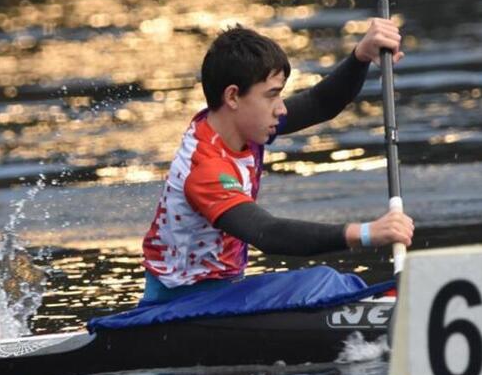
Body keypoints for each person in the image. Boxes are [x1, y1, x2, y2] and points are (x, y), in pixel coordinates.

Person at [140, 20, 415, 304]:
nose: (281, 108)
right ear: (233, 96)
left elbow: (321, 103)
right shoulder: (205, 167)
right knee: (324, 282)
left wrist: (361, 56)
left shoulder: (240, 124)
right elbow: (267, 233)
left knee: (329, 284)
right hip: (179, 305)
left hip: (221, 293)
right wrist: (367, 233)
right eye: (272, 95)